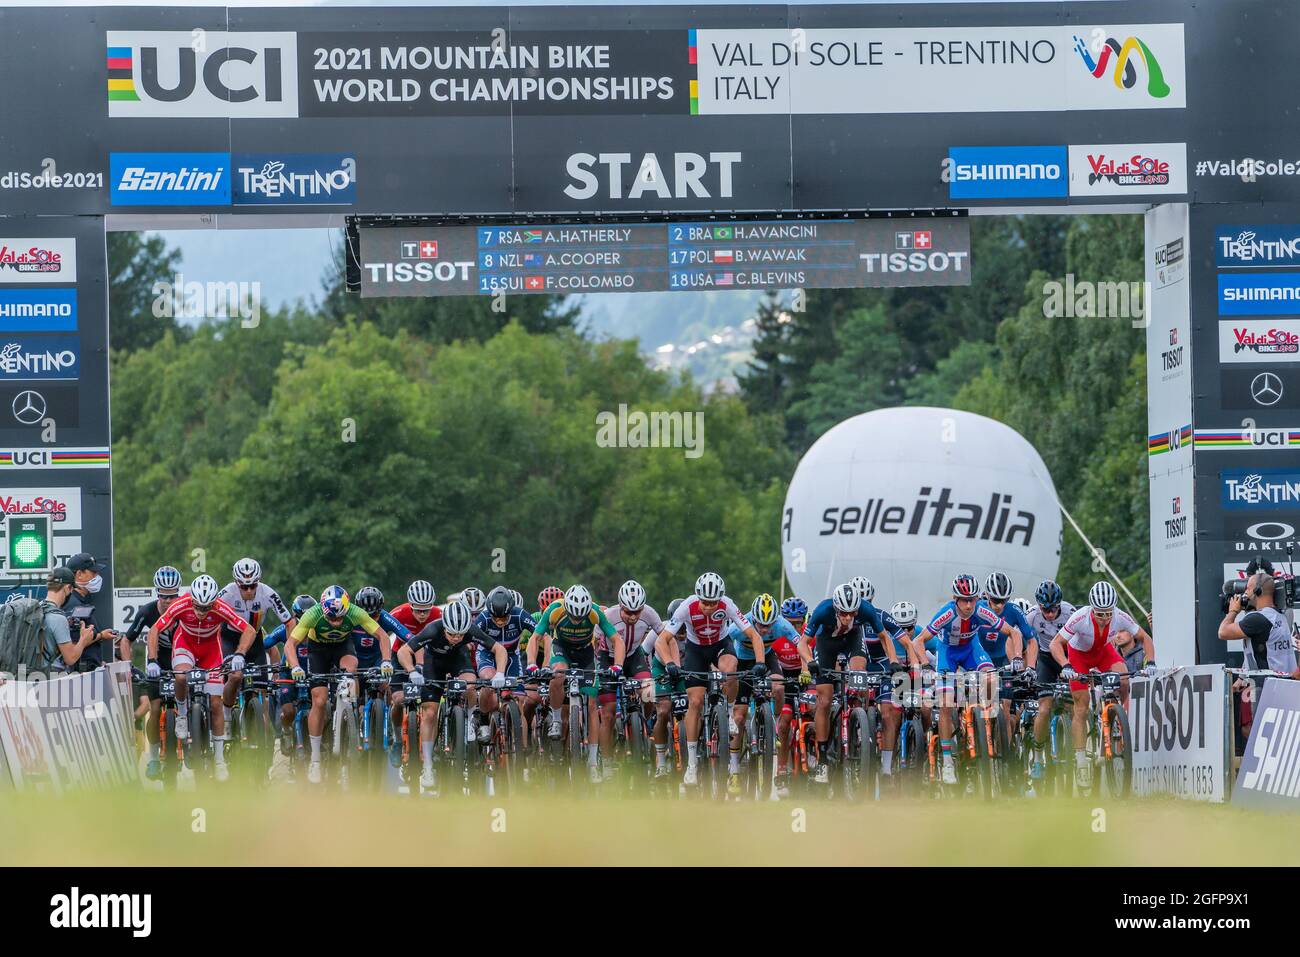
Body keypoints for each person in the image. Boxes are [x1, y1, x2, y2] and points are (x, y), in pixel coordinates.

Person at [910, 574, 1021, 786]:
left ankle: (986, 722)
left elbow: (1012, 633)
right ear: (955, 599)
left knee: (990, 679)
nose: (969, 605)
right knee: (945, 703)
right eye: (964, 600)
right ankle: (948, 760)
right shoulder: (947, 613)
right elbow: (918, 641)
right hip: (948, 653)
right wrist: (925, 666)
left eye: (972, 599)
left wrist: (1016, 658)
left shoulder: (981, 610)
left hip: (972, 649)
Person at [654, 573, 763, 787]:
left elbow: (754, 635)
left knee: (730, 668)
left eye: (713, 603)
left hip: (720, 645)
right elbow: (661, 640)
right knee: (695, 702)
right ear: (698, 597)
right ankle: (692, 764)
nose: (709, 607)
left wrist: (760, 662)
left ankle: (729, 714)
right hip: (696, 650)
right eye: (705, 602)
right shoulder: (687, 606)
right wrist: (669, 664)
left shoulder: (727, 604)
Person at [145, 574, 257, 783]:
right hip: (185, 644)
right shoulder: (181, 604)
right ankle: (181, 714)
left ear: (213, 602)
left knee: (216, 703)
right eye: (197, 606)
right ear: (192, 600)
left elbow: (249, 630)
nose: (201, 612)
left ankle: (219, 759)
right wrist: (152, 659)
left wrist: (240, 653)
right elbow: (155, 629)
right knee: (180, 678)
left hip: (210, 651)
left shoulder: (220, 607)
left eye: (206, 608)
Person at [285, 586, 393, 785]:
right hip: (318, 651)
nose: (335, 623)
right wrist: (295, 668)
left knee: (351, 671)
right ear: (324, 611)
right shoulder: (312, 615)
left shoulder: (354, 612)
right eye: (331, 619)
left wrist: (386, 660)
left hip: (343, 646)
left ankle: (352, 712)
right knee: (319, 700)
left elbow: (383, 636)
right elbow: (290, 644)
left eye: (340, 619)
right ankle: (315, 759)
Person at [398, 599, 506, 793]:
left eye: (460, 634)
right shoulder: (432, 629)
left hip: (458, 660)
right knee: (430, 712)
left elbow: (499, 649)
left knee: (470, 686)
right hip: (434, 664)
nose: (456, 638)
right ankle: (428, 766)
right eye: (451, 634)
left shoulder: (470, 630)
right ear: (444, 627)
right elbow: (404, 650)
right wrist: (412, 671)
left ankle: (472, 720)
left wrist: (499, 673)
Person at [799, 582, 902, 784]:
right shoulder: (823, 610)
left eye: (852, 613)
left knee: (859, 672)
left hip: (853, 640)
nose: (847, 618)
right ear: (836, 608)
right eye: (843, 613)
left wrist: (894, 662)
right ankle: (822, 763)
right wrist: (810, 662)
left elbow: (884, 637)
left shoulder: (866, 610)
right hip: (826, 643)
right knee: (825, 700)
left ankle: (861, 720)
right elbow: (802, 643)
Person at [1050, 581, 1149, 790]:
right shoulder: (1080, 617)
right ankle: (1081, 760)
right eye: (1100, 614)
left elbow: (1143, 637)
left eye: (1108, 614)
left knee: (1124, 680)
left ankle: (1118, 721)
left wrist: (1153, 662)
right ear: (1092, 609)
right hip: (1079, 657)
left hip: (1104, 652)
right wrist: (1065, 665)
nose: (1105, 619)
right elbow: (1055, 644)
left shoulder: (1119, 615)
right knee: (1082, 707)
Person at [529, 584, 623, 783]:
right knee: (557, 675)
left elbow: (616, 639)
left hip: (585, 653)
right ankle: (556, 720)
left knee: (590, 704)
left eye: (580, 617)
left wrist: (618, 666)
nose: (576, 620)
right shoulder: (555, 609)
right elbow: (536, 637)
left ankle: (592, 763)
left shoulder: (595, 613)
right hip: (561, 648)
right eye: (573, 616)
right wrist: (530, 664)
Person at [725, 593, 796, 795]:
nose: (765, 630)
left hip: (766, 657)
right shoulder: (739, 625)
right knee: (738, 717)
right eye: (761, 626)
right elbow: (724, 646)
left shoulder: (782, 625)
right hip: (744, 661)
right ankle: (735, 770)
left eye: (769, 626)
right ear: (753, 619)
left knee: (779, 686)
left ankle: (774, 720)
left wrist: (808, 667)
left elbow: (800, 643)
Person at [218, 557, 296, 738]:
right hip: (230, 639)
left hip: (255, 641)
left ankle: (265, 737)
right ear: (236, 582)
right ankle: (228, 717)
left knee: (262, 691)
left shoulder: (268, 593)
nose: (248, 590)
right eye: (243, 586)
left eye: (252, 585)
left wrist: (290, 647)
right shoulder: (227, 593)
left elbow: (289, 622)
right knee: (235, 677)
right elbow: (211, 617)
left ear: (258, 582)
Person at [597, 580, 660, 780]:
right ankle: (606, 764)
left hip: (634, 655)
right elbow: (593, 642)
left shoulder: (650, 613)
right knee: (607, 714)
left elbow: (665, 636)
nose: (633, 617)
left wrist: (673, 663)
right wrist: (595, 668)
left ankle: (645, 722)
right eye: (628, 612)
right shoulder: (608, 616)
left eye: (637, 612)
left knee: (649, 689)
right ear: (620, 606)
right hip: (608, 657)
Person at [127, 566, 183, 780]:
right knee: (156, 707)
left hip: (180, 661)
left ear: (178, 593)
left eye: (172, 596)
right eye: (163, 596)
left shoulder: (185, 608)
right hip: (156, 663)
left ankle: (192, 737)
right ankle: (152, 757)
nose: (168, 601)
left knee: (188, 700)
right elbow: (126, 640)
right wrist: (128, 666)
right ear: (156, 592)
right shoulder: (147, 612)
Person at [1024, 580, 1076, 781]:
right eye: (1046, 609)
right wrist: (1024, 664)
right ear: (1039, 605)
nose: (1050, 614)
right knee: (1044, 708)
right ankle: (1037, 757)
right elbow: (1020, 639)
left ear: (1059, 605)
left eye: (1054, 609)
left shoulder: (1070, 612)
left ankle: (1076, 747)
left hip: (1067, 656)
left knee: (1074, 706)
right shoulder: (1032, 616)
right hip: (1045, 659)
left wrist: (1071, 664)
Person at [474, 586, 538, 747]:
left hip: (511, 657)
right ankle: (483, 721)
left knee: (520, 702)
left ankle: (521, 753)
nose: (500, 621)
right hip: (487, 655)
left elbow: (539, 633)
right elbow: (468, 637)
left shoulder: (520, 614)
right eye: (496, 618)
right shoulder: (483, 618)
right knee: (488, 681)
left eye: (504, 617)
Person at [64, 552, 115, 670]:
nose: (98, 576)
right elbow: (70, 646)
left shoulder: (82, 601)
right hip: (79, 673)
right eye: (93, 572)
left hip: (88, 669)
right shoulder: (72, 603)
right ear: (79, 574)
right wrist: (101, 635)